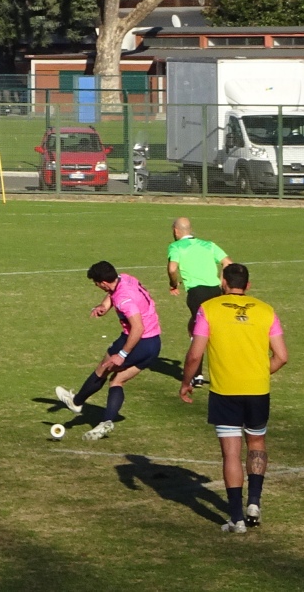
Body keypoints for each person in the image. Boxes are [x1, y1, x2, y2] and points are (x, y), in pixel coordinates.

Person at [179, 262, 288, 533]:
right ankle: (254, 502)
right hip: (258, 390)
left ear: (223, 283)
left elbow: (195, 354)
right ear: (248, 285)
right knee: (257, 443)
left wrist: (186, 382)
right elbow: (282, 356)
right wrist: (258, 373)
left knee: (231, 453)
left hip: (224, 391)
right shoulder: (266, 310)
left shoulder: (208, 309)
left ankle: (236, 518)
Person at [55, 261, 163, 441]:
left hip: (137, 341)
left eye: (96, 283)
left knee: (102, 369)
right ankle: (106, 422)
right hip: (154, 344)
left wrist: (122, 354)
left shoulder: (124, 299)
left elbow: (138, 328)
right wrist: (104, 306)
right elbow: (113, 293)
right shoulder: (125, 278)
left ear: (103, 282)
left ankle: (76, 402)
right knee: (117, 381)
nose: (96, 286)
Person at [167, 216, 232, 388]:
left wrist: (173, 284)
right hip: (215, 291)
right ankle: (213, 372)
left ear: (176, 231)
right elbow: (228, 263)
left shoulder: (176, 246)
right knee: (206, 328)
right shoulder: (209, 245)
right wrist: (221, 283)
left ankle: (197, 375)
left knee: (199, 331)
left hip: (197, 293)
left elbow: (172, 269)